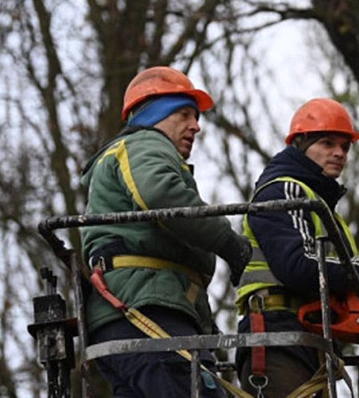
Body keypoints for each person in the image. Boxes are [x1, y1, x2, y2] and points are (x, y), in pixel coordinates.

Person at [80, 66, 252, 397]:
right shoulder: (145, 142)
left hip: (129, 315)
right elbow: (160, 194)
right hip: (144, 310)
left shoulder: (132, 152)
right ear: (155, 115)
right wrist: (231, 244)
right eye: (185, 114)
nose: (196, 126)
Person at [235, 98, 359, 397]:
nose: (339, 153)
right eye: (328, 143)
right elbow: (300, 268)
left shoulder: (324, 210)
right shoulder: (285, 190)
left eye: (345, 147)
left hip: (310, 337)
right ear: (301, 144)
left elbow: (341, 281)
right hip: (275, 332)